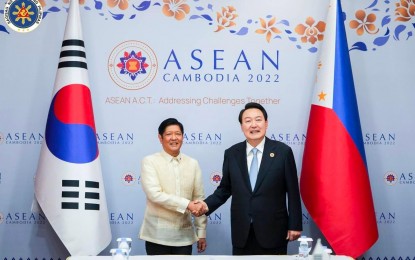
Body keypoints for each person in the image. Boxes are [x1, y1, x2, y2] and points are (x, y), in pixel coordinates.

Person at [195, 102, 302, 255]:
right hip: (242, 232)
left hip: (273, 230)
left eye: (258, 120)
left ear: (266, 123)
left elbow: (293, 191)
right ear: (241, 126)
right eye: (248, 121)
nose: (253, 125)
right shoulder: (232, 153)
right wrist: (205, 205)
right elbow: (225, 189)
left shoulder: (283, 152)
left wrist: (295, 224)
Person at [139, 118, 207, 255]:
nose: (174, 138)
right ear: (160, 137)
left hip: (185, 238)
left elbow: (198, 198)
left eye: (178, 134)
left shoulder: (193, 163)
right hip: (157, 236)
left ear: (183, 136)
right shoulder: (150, 162)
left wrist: (201, 232)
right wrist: (187, 204)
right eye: (169, 134)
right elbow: (155, 194)